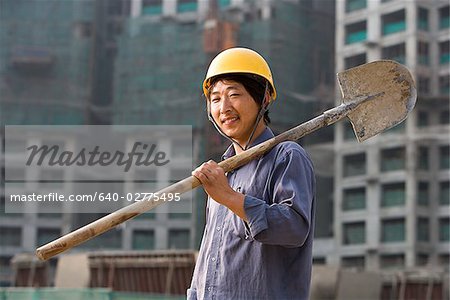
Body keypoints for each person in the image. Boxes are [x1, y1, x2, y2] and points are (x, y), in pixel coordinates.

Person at [188, 47, 316, 300]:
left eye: (234, 94)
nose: (223, 108)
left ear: (265, 97)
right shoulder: (223, 172)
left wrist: (229, 197)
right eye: (215, 99)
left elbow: (293, 228)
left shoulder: (287, 157)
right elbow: (208, 256)